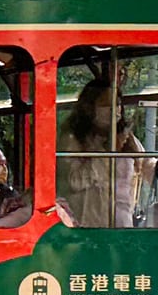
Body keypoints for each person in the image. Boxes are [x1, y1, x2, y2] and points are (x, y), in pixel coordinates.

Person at [57, 72, 147, 228]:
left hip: (122, 224)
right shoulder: (73, 139)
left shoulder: (126, 138)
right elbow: (73, 182)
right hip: (87, 223)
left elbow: (146, 169)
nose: (114, 110)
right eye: (106, 105)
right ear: (89, 107)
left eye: (117, 104)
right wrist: (107, 152)